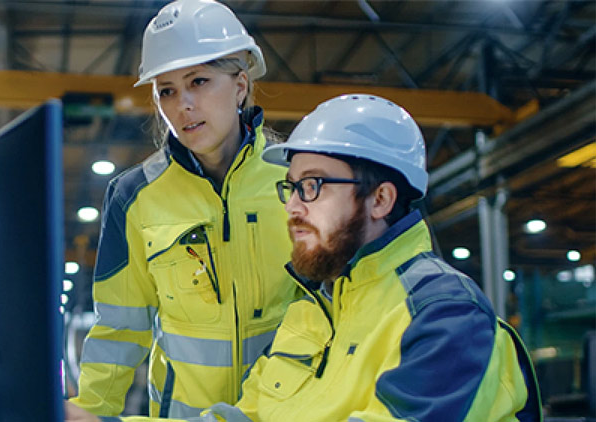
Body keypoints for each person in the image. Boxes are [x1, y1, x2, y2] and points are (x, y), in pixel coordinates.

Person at [67, 94, 543, 422]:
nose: (292, 206)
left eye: (313, 185)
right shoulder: (312, 313)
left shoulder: (444, 315)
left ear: (380, 199)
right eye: (291, 187)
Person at [66, 0, 300, 418]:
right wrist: (90, 412)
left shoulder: (298, 181)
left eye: (199, 81)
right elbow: (120, 328)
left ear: (240, 85)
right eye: (167, 91)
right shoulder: (134, 196)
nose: (182, 105)